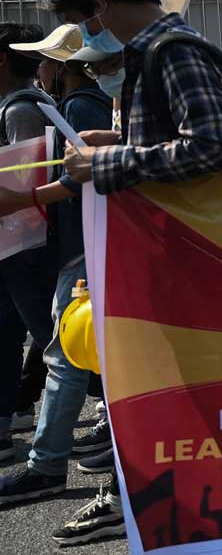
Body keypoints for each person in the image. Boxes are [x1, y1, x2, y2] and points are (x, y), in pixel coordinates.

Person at [44, 0, 222, 545]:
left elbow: (215, 147)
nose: (83, 34)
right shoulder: (151, 55)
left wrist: (109, 161)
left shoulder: (172, 52)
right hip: (179, 255)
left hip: (203, 257)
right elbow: (179, 140)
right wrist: (122, 138)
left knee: (203, 394)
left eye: (83, 18)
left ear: (100, 6)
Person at [0, 26, 115, 508]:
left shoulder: (76, 106)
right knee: (67, 350)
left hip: (81, 244)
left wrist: (25, 197)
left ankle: (48, 464)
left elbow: (81, 178)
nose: (41, 70)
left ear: (61, 67)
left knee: (65, 351)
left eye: (46, 62)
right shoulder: (72, 105)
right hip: (78, 242)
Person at [0, 24, 56, 480]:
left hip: (24, 243)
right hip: (16, 241)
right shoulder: (28, 104)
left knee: (52, 336)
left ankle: (112, 414)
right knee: (10, 331)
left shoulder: (21, 109)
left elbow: (25, 181)